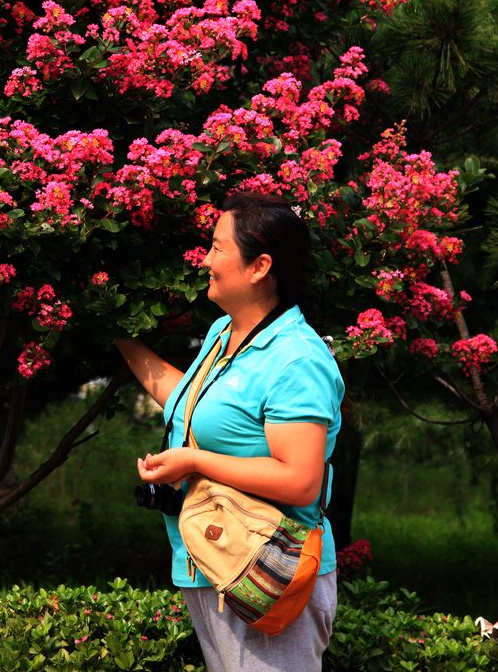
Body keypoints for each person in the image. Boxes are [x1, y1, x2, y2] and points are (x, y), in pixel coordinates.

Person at [115, 191, 344, 672]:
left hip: (266, 570)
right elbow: (192, 402)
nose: (205, 260)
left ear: (260, 266)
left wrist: (194, 462)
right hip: (216, 563)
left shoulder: (296, 359)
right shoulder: (226, 333)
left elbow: (299, 479)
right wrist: (117, 336)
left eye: (217, 248)